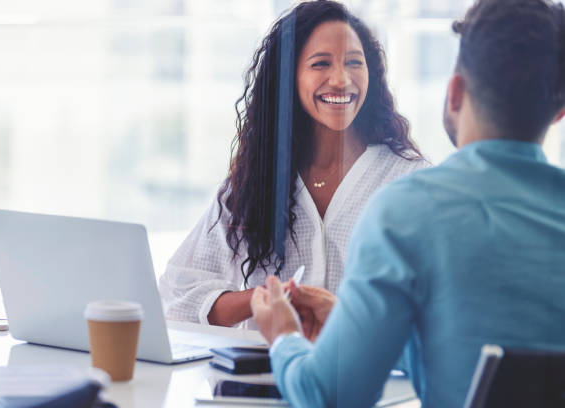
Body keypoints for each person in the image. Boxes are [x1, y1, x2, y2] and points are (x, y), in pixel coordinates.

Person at [251, 0, 565, 406]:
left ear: (454, 93)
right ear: (559, 112)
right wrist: (354, 320)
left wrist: (283, 336)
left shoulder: (406, 212)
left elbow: (329, 397)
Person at [159, 0, 428, 327]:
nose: (341, 79)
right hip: (266, 372)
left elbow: (436, 302)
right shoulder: (253, 179)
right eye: (321, 64)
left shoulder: (410, 180)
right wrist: (266, 297)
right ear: (289, 77)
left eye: (354, 63)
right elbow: (178, 294)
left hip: (367, 376)